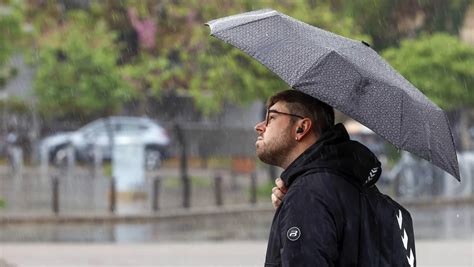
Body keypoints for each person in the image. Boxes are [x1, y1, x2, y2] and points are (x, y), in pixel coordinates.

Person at [255, 90, 415, 266]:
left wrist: (300, 204)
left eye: (272, 118)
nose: (260, 126)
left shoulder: (309, 195)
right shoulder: (354, 188)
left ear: (301, 128)